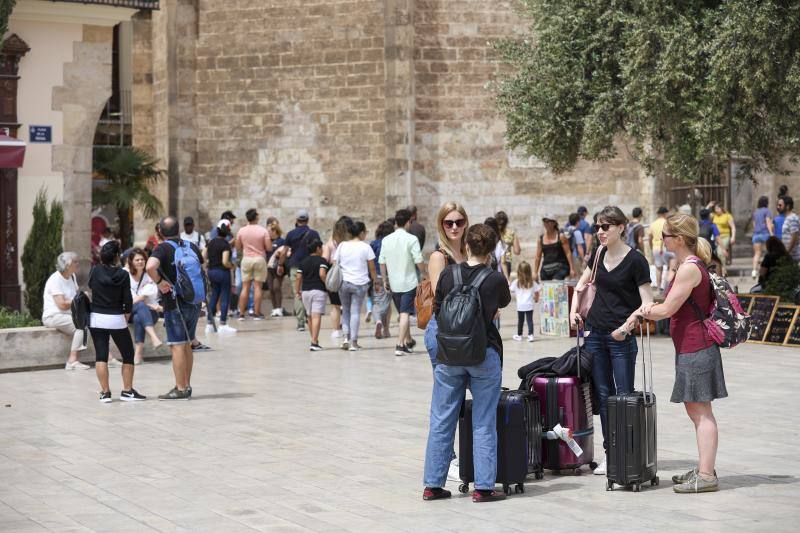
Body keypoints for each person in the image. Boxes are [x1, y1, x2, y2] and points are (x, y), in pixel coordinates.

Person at [422, 223, 511, 503]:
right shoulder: (494, 279)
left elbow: (437, 307)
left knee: (441, 419)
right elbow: (502, 304)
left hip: (449, 355)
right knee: (484, 420)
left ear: (468, 245)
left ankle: (433, 485)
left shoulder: (449, 274)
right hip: (483, 353)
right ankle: (483, 488)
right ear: (491, 249)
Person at [639, 214, 727, 493]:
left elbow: (666, 310)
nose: (660, 239)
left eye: (664, 235)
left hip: (697, 347)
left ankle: (707, 476)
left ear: (677, 239)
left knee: (700, 412)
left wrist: (637, 313)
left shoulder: (689, 268)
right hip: (691, 347)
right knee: (697, 410)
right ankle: (705, 468)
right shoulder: (686, 265)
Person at [569, 206, 653, 476]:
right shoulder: (597, 255)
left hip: (620, 339)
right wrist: (573, 311)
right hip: (595, 334)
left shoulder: (636, 260)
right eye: (597, 227)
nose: (600, 232)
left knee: (624, 396)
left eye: (605, 226)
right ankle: (610, 452)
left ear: (620, 227)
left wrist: (626, 328)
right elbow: (581, 285)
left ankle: (626, 454)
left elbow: (647, 303)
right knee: (604, 397)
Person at [146, 216, 203, 401]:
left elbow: (150, 266)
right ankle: (186, 385)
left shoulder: (162, 248)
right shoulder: (190, 246)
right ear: (178, 230)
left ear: (160, 232)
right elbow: (201, 265)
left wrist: (161, 282)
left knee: (177, 345)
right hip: (194, 301)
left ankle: (180, 388)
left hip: (175, 302)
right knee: (187, 344)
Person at [89, 241, 145, 403]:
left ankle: (105, 393)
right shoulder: (122, 274)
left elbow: (92, 287)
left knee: (101, 356)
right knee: (128, 355)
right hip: (116, 318)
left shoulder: (95, 271)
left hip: (97, 318)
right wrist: (126, 317)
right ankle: (127, 391)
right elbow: (127, 300)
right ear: (116, 256)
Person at [379, 209, 425, 356]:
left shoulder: (386, 240)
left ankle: (408, 341)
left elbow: (382, 261)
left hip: (393, 282)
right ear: (408, 222)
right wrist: (424, 274)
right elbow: (418, 260)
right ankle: (399, 344)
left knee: (402, 312)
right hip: (409, 282)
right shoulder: (412, 239)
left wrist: (385, 279)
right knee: (405, 313)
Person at [333, 219, 378, 351]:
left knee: (345, 311)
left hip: (344, 283)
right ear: (362, 233)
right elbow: (372, 268)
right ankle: (354, 342)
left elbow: (335, 263)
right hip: (360, 283)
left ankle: (346, 338)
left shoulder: (342, 246)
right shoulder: (366, 247)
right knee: (355, 312)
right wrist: (376, 281)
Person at [41, 252, 90, 370]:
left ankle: (108, 358)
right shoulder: (55, 279)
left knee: (90, 324)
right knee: (81, 326)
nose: (78, 264)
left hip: (68, 315)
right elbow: (62, 304)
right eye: (75, 262)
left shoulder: (72, 277)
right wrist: (81, 298)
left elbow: (74, 298)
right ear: (68, 265)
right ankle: (72, 361)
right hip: (53, 316)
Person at [285, 209, 321, 332]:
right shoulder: (314, 234)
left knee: (298, 293)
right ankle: (309, 316)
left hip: (295, 266)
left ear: (297, 220)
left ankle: (300, 322)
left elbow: (285, 251)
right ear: (307, 220)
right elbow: (318, 249)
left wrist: (280, 265)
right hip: (310, 265)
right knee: (311, 291)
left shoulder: (290, 234)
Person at [126, 248, 164, 364]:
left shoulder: (150, 276)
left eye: (142, 259)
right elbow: (133, 299)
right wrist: (142, 300)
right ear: (131, 262)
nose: (140, 262)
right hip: (130, 312)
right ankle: (154, 337)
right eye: (137, 260)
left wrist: (140, 300)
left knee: (139, 317)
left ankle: (137, 355)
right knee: (141, 304)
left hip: (150, 313)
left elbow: (149, 295)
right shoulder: (126, 275)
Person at [235, 208, 271, 320]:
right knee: (257, 287)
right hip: (259, 258)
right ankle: (256, 312)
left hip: (246, 259)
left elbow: (238, 247)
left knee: (245, 287)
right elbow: (269, 247)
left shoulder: (241, 231)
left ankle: (241, 313)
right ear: (256, 217)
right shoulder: (263, 231)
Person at [296, 238, 329, 351]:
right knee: (316, 316)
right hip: (318, 290)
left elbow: (299, 277)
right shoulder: (322, 261)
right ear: (318, 248)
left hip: (305, 291)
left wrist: (297, 291)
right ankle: (314, 342)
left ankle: (314, 340)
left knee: (309, 316)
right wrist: (328, 285)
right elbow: (322, 274)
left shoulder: (303, 261)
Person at [203, 221, 237, 333]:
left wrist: (208, 265)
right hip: (222, 272)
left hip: (211, 272)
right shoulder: (225, 244)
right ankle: (223, 324)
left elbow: (202, 256)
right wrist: (232, 266)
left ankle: (209, 324)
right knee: (225, 297)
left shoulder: (210, 242)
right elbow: (225, 261)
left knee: (213, 296)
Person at [322, 216, 351, 338]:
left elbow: (324, 260)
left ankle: (335, 330)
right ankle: (347, 328)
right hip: (348, 274)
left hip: (334, 276)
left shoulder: (330, 244)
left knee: (335, 306)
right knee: (348, 304)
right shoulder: (350, 243)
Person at [370, 219, 396, 339]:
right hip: (390, 276)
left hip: (377, 276)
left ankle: (378, 321)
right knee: (387, 304)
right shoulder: (392, 243)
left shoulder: (374, 244)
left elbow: (369, 261)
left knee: (376, 302)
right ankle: (386, 330)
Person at [533, 214, 575, 281]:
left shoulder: (561, 237)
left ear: (554, 223)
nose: (546, 223)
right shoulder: (540, 239)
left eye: (549, 221)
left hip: (560, 268)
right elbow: (538, 256)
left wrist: (572, 269)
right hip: (546, 269)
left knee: (555, 286)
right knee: (546, 290)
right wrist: (535, 272)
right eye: (545, 221)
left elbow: (568, 253)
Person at [648, 206, 676, 292]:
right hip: (666, 247)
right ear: (665, 213)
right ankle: (667, 288)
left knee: (658, 268)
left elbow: (649, 237)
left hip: (655, 248)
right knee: (671, 267)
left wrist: (651, 247)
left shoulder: (653, 224)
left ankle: (658, 289)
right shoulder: (667, 223)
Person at [510, 261, 540, 342]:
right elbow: (537, 291)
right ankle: (531, 335)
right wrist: (537, 299)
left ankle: (519, 335)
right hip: (529, 305)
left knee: (520, 321)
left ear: (518, 272)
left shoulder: (516, 283)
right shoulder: (532, 282)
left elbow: (511, 289)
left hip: (520, 306)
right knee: (530, 320)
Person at [265, 220, 288, 317]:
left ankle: (279, 308)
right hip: (269, 268)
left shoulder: (281, 241)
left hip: (278, 268)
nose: (268, 233)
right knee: (270, 288)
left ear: (275, 231)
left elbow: (284, 253)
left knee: (276, 287)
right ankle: (274, 309)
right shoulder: (268, 241)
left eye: (269, 231)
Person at [751, 196, 774, 278]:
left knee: (757, 253)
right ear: (766, 203)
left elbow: (754, 225)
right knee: (768, 253)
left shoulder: (755, 212)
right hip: (765, 234)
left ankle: (754, 271)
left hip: (756, 235)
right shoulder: (767, 211)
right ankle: (767, 270)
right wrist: (771, 234)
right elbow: (768, 223)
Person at [779, 196, 800, 262]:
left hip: (794, 257)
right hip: (790, 256)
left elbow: (794, 237)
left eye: (780, 205)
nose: (778, 207)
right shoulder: (788, 218)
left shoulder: (792, 218)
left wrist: (787, 252)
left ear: (787, 206)